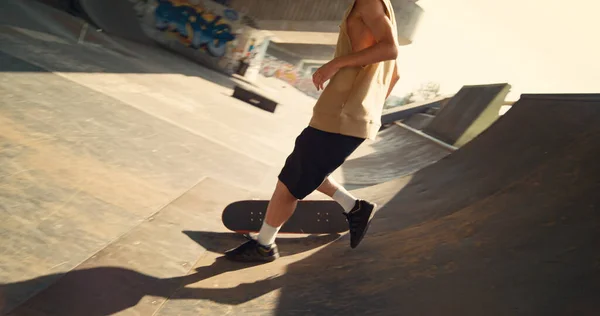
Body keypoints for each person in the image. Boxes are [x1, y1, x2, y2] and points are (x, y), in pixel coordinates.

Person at [225, 0, 401, 262]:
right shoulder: (384, 9)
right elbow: (395, 75)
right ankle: (354, 207)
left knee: (289, 183)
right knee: (306, 169)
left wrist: (336, 64)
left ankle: (264, 245)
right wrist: (366, 110)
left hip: (341, 115)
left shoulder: (368, 2)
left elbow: (390, 50)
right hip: (348, 116)